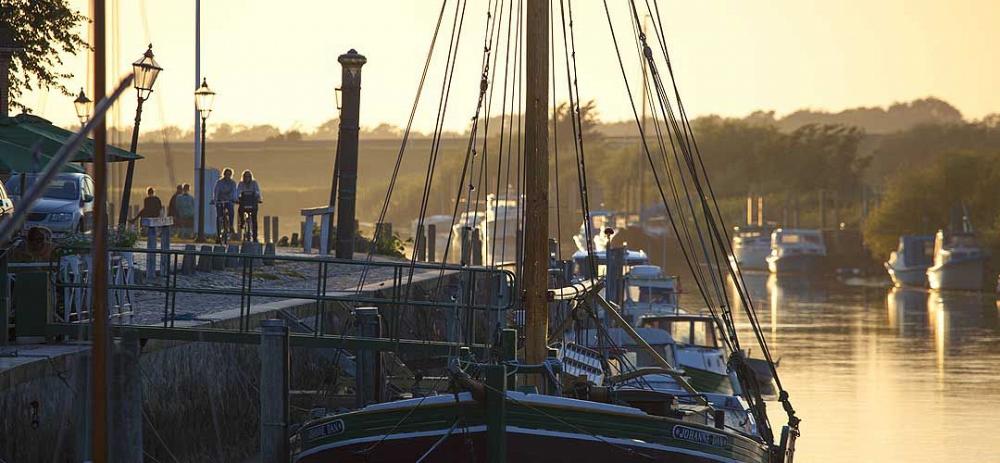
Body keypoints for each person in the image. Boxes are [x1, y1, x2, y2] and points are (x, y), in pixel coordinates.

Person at [236, 169, 263, 242]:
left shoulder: (254, 183)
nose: (247, 178)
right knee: (240, 210)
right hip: (244, 202)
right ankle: (242, 221)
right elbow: (237, 191)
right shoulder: (241, 184)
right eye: (246, 176)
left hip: (252, 202)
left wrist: (259, 198)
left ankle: (255, 237)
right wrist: (237, 199)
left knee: (254, 219)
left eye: (248, 176)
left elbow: (257, 191)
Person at [213, 168, 237, 238]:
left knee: (231, 210)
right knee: (219, 216)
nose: (228, 176)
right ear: (224, 174)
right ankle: (218, 233)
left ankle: (231, 225)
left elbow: (234, 192)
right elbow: (216, 191)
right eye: (226, 174)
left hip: (229, 201)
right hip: (220, 200)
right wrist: (215, 200)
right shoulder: (219, 182)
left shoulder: (233, 183)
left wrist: (234, 199)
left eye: (229, 174)